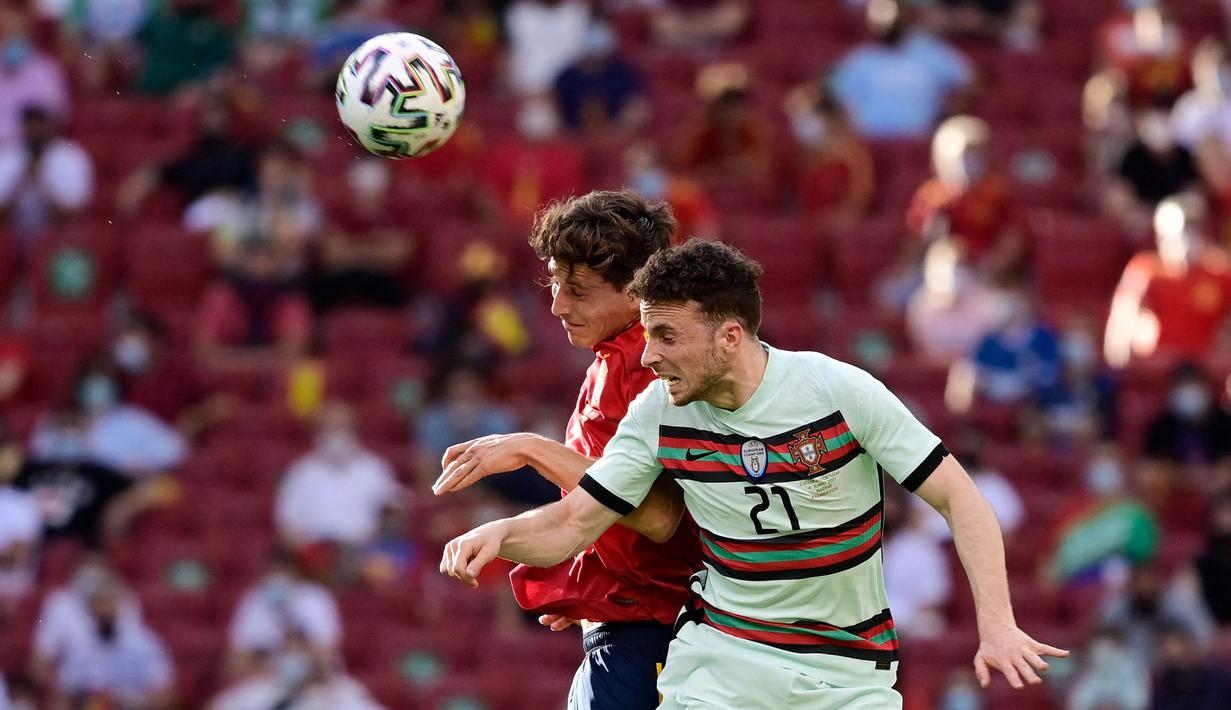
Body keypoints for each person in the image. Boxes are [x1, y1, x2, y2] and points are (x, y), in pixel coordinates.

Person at [441, 239, 1068, 707]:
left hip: (846, 671)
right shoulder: (658, 410)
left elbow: (960, 498)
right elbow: (577, 520)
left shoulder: (836, 392)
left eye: (665, 335)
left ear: (730, 336)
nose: (649, 354)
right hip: (722, 660)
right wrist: (501, 535)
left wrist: (999, 624)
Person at [432, 190, 699, 710]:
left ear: (634, 292)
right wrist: (595, 580)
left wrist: (533, 449)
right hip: (629, 624)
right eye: (555, 285)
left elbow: (661, 516)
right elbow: (620, 504)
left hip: (652, 636)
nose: (557, 305)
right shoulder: (611, 360)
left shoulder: (647, 368)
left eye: (577, 290)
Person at [1105, 193, 1231, 367]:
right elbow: (1121, 326)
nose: (1188, 236)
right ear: (1162, 236)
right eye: (1183, 228)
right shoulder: (1145, 271)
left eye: (1194, 227)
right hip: (1157, 369)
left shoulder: (1219, 272)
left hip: (1202, 371)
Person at [830, 0, 974, 140]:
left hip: (918, 142)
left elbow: (967, 79)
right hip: (871, 143)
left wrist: (946, 116)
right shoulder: (861, 59)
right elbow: (837, 96)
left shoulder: (929, 51)